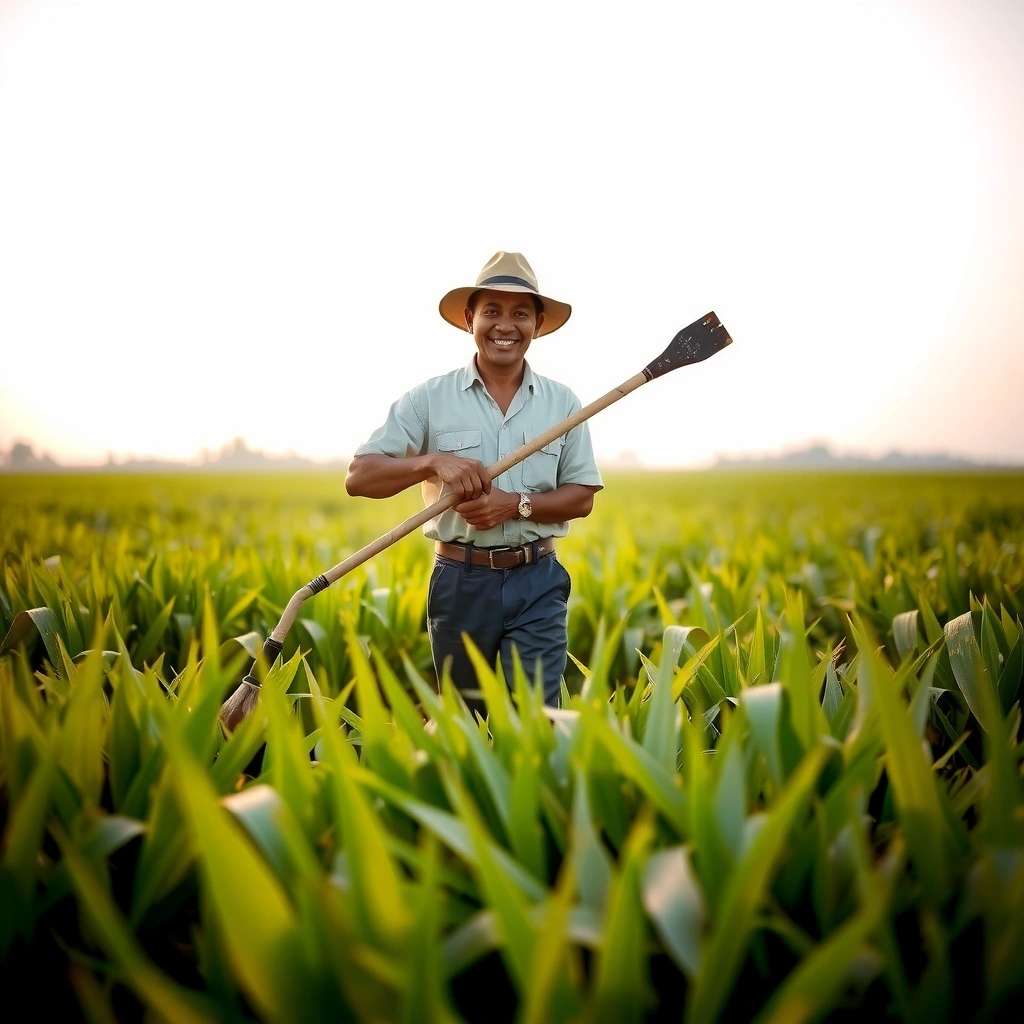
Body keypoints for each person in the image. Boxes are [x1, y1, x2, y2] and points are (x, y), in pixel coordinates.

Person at [345, 252, 603, 711]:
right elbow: (360, 476)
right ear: (470, 319)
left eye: (521, 313)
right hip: (459, 582)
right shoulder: (429, 399)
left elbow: (581, 497)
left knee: (537, 720)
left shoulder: (565, 404)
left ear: (538, 325)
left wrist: (516, 505)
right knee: (464, 720)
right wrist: (432, 463)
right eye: (492, 312)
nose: (506, 325)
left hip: (537, 579)